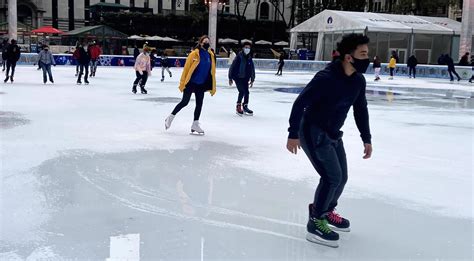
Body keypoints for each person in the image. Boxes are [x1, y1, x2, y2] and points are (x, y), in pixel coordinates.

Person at [286, 33, 372, 248]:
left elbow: (360, 110)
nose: (367, 59)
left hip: (333, 133)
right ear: (348, 57)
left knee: (341, 178)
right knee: (331, 177)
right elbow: (300, 103)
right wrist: (293, 133)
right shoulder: (326, 78)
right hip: (312, 132)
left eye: (367, 54)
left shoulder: (358, 81)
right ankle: (315, 222)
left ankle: (325, 210)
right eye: (363, 54)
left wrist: (366, 138)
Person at [164, 35, 216, 135]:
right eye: (205, 41)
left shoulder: (210, 55)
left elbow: (212, 71)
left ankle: (195, 124)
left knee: (199, 103)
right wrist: (182, 83)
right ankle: (170, 118)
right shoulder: (194, 54)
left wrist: (212, 84)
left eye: (208, 41)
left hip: (202, 84)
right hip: (191, 83)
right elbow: (186, 69)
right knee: (184, 102)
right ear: (201, 43)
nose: (207, 43)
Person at [228, 41, 256, 116]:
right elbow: (232, 67)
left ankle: (245, 106)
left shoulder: (249, 58)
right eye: (246, 47)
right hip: (238, 77)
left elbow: (252, 69)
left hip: (245, 78)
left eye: (249, 48)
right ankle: (238, 106)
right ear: (243, 48)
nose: (247, 49)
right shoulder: (239, 56)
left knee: (246, 92)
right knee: (242, 91)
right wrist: (230, 78)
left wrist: (252, 79)